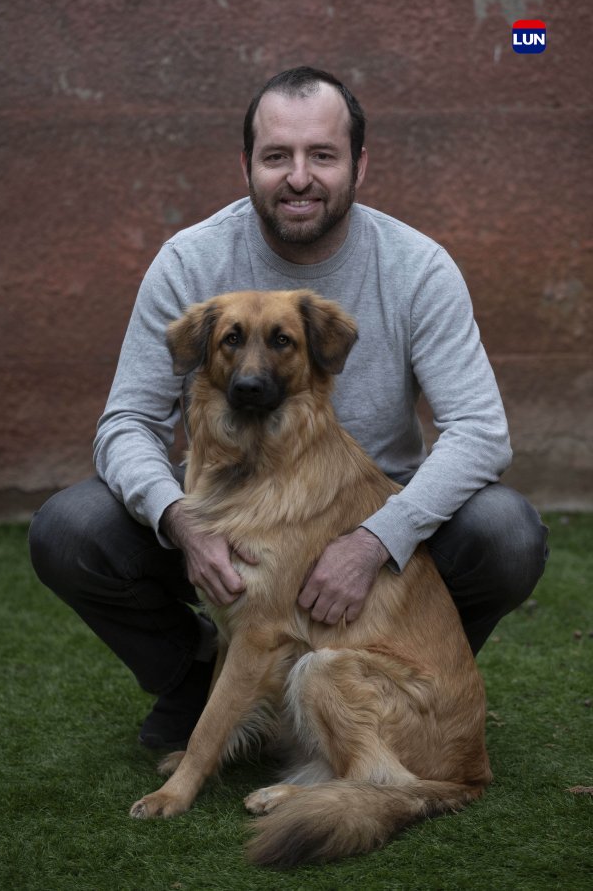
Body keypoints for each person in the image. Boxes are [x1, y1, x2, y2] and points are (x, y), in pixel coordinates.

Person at [29, 66, 548, 750]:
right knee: (70, 527)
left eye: (322, 155)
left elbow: (481, 432)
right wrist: (182, 521)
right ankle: (196, 677)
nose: (299, 176)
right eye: (277, 156)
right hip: (231, 520)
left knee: (506, 531)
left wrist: (375, 541)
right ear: (247, 163)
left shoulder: (417, 267)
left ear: (359, 163)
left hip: (369, 515)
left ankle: (389, 686)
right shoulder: (190, 262)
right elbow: (126, 423)